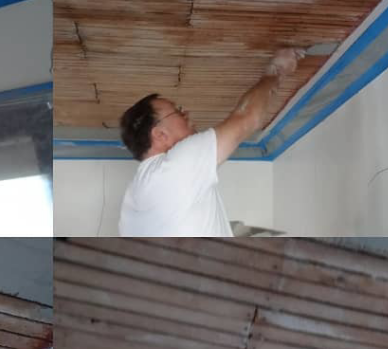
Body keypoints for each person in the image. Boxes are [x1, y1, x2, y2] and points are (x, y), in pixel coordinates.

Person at [117, 49, 305, 236]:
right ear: (160, 135)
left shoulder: (136, 195)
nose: (187, 115)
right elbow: (247, 117)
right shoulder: (175, 166)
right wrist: (277, 71)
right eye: (178, 111)